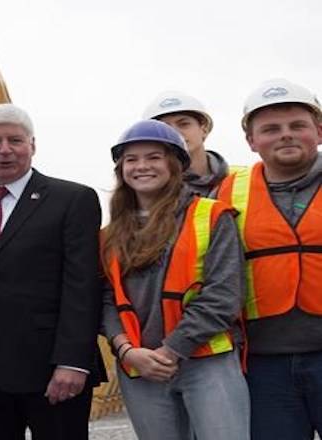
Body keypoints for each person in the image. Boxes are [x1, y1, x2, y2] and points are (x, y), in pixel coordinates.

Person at [0, 103, 104, 440]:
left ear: (32, 145)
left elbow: (82, 285)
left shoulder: (72, 199)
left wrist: (73, 361)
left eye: (15, 140)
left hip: (51, 371)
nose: (5, 150)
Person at [99, 120, 249, 440]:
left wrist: (169, 352)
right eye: (131, 159)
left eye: (154, 157)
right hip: (140, 368)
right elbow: (106, 299)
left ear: (176, 165)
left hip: (208, 362)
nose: (142, 166)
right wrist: (126, 351)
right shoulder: (109, 236)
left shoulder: (212, 215)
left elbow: (223, 295)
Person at [217, 78, 322, 439]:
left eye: (297, 126)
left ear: (319, 132)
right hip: (263, 364)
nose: (285, 135)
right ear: (251, 141)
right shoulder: (227, 190)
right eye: (271, 129)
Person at [143, 91, 228, 195]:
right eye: (165, 128)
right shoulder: (147, 189)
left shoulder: (241, 181)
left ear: (204, 129)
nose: (175, 133)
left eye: (184, 124)